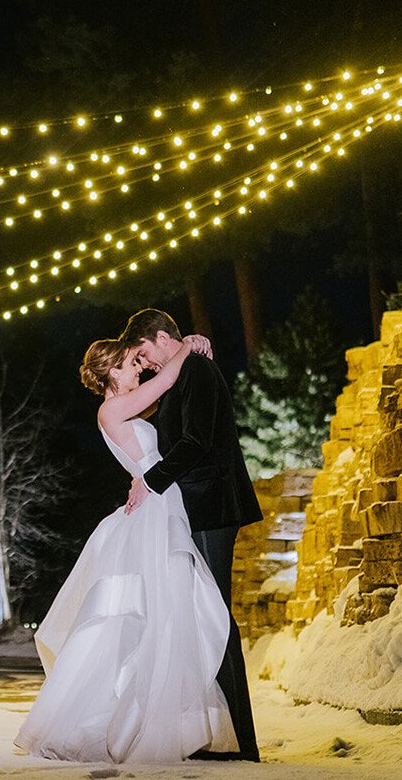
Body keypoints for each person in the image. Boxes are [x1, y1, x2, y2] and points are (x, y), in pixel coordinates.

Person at [15, 333, 237, 763]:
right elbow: (168, 380)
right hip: (154, 513)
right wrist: (188, 345)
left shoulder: (124, 406)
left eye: (139, 361)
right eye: (131, 363)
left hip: (159, 503)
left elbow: (168, 402)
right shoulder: (112, 408)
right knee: (154, 614)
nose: (140, 368)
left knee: (166, 612)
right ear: (110, 372)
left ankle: (159, 716)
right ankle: (133, 721)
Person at [121, 308, 262, 762]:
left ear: (162, 338)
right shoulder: (184, 369)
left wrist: (152, 480)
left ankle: (239, 742)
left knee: (216, 616)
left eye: (143, 353)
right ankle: (219, 735)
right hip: (199, 506)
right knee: (206, 615)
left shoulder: (197, 370)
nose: (143, 364)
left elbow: (197, 440)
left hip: (214, 503)